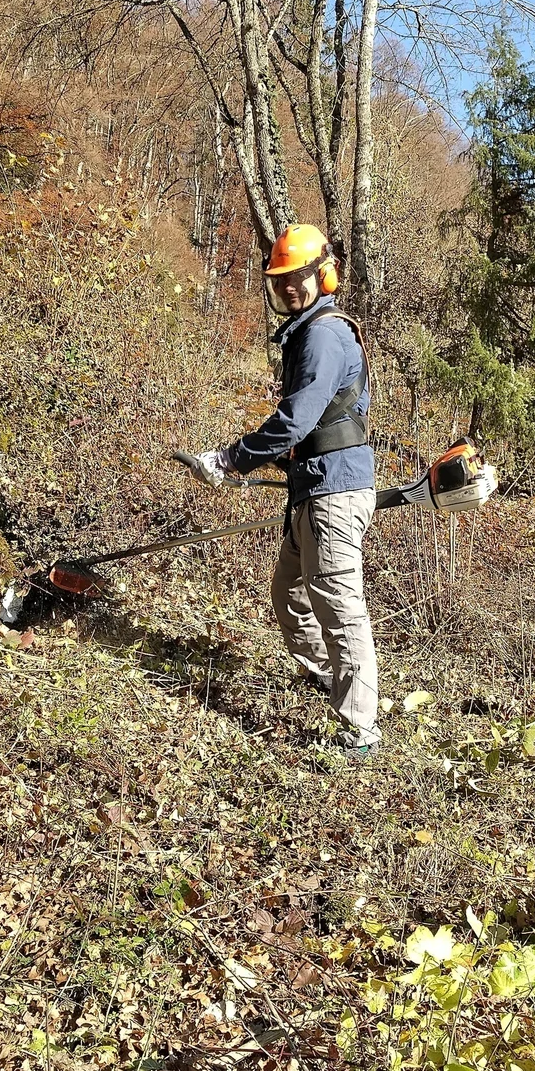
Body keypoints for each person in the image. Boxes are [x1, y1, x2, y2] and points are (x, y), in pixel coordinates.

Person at [188, 224, 380, 753]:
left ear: (324, 274)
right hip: (313, 488)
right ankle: (325, 678)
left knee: (339, 606)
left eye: (298, 277)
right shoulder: (308, 332)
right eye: (281, 281)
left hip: (333, 494)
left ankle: (361, 726)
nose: (289, 288)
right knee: (290, 595)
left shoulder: (322, 335)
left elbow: (295, 421)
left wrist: (233, 459)